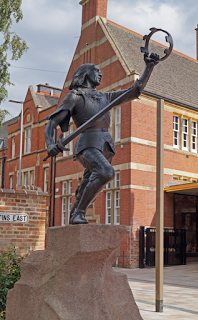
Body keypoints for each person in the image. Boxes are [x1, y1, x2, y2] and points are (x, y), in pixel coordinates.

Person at [44, 53, 159, 224]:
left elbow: (135, 90)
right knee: (106, 172)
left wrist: (149, 67)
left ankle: (74, 212)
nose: (101, 74)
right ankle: (79, 214)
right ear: (86, 75)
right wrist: (50, 144)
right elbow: (51, 124)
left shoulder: (104, 97)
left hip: (105, 145)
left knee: (86, 184)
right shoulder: (75, 96)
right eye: (96, 71)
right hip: (87, 145)